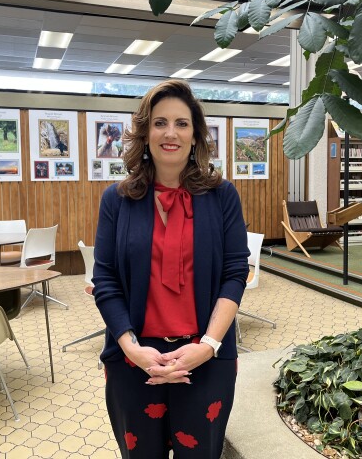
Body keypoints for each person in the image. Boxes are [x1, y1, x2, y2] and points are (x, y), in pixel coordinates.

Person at [93, 79, 249, 458]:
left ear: (196, 135)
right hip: (135, 361)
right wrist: (133, 349)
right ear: (145, 133)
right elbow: (105, 280)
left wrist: (208, 346)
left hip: (205, 360)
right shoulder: (117, 199)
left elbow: (234, 272)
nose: (170, 133)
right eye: (160, 122)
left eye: (181, 123)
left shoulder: (221, 195)